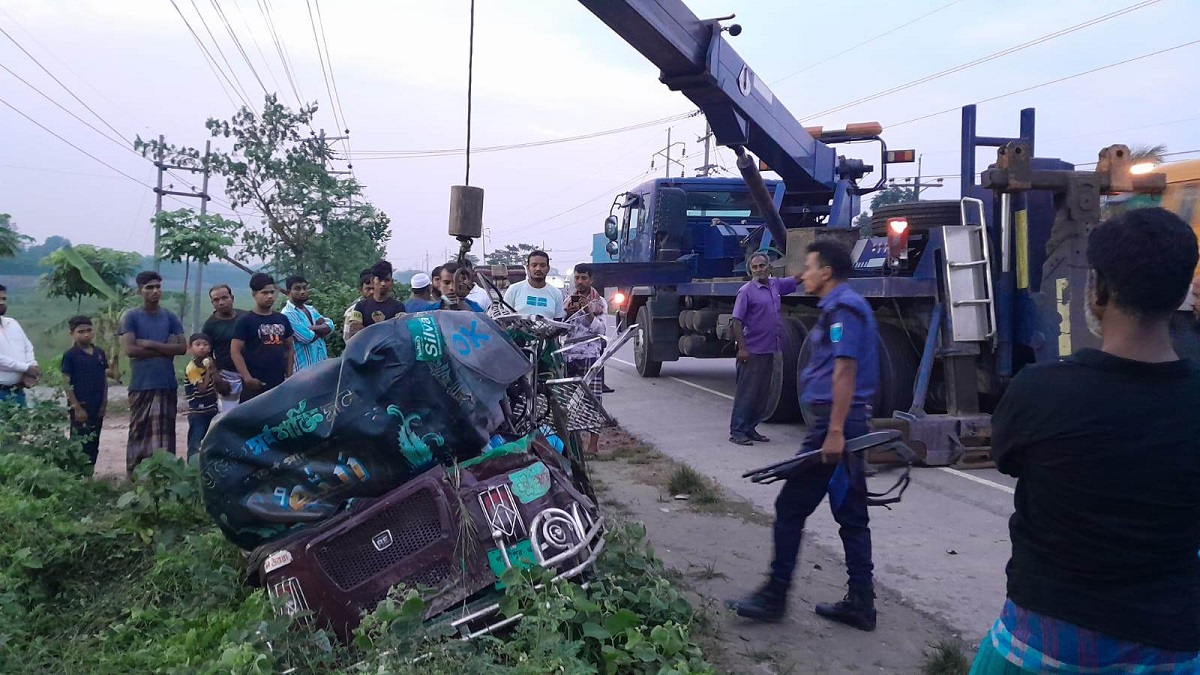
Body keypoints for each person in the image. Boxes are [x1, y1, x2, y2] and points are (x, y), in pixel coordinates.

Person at [972, 208, 1200, 673]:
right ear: (1182, 293)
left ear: (1098, 289)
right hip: (1171, 650)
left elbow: (1006, 459)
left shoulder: (1038, 391)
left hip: (1040, 650)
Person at [728, 240, 880, 632]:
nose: (803, 275)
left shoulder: (844, 309)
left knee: (791, 508)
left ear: (826, 271)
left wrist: (834, 432)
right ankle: (861, 602)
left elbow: (845, 370)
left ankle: (774, 596)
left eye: (809, 267)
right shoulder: (839, 306)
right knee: (851, 514)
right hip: (839, 423)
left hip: (836, 424)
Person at [120, 270, 187, 475]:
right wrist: (166, 348)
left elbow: (182, 348)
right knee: (138, 431)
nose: (155, 291)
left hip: (166, 382)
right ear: (139, 291)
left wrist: (149, 344)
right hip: (141, 384)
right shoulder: (131, 317)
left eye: (158, 287)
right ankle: (135, 475)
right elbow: (130, 350)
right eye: (149, 287)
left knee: (165, 433)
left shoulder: (170, 317)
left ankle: (164, 476)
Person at [728, 252, 795, 446]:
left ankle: (750, 427)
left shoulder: (775, 285)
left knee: (761, 393)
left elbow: (795, 280)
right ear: (750, 271)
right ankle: (737, 431)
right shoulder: (746, 292)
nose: (758, 270)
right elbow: (736, 321)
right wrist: (742, 349)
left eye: (762, 266)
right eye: (755, 267)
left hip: (769, 349)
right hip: (752, 351)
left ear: (769, 267)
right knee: (747, 393)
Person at [563, 263, 608, 456]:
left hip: (591, 356)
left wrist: (587, 311)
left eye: (584, 278)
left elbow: (601, 330)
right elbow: (561, 329)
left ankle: (593, 445)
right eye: (577, 278)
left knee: (593, 400)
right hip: (570, 355)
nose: (580, 282)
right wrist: (568, 314)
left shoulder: (600, 302)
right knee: (570, 402)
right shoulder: (567, 300)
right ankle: (576, 445)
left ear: (591, 280)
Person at [231, 273, 295, 402]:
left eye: (272, 292)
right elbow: (235, 351)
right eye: (264, 293)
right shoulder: (245, 321)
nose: (270, 296)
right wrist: (247, 378)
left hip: (278, 383)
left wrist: (289, 376)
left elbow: (289, 348)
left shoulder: (282, 319)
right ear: (254, 294)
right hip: (255, 384)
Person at [61, 315, 108, 467]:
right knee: (79, 442)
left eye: (89, 330)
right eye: (81, 332)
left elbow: (104, 379)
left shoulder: (99, 353)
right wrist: (76, 407)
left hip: (97, 405)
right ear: (72, 334)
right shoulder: (70, 355)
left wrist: (104, 403)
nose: (86, 334)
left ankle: (89, 473)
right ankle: (76, 474)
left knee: (94, 440)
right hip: (81, 406)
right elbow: (66, 382)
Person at [202, 284, 246, 412]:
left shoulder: (245, 317)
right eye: (216, 300)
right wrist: (217, 378)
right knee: (229, 414)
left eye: (224, 298)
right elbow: (207, 354)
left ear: (232, 298)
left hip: (250, 373)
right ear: (212, 303)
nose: (221, 302)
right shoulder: (210, 325)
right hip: (227, 375)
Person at [183, 333, 226, 460]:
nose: (201, 347)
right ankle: (192, 463)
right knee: (196, 440)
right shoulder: (192, 368)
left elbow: (218, 381)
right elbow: (202, 389)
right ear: (190, 348)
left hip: (211, 408)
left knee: (210, 439)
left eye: (205, 345)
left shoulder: (209, 363)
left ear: (209, 348)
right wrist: (208, 371)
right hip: (198, 411)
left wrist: (213, 368)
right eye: (197, 344)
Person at [281, 275, 334, 372]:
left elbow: (330, 324)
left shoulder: (311, 309)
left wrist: (312, 328)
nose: (302, 292)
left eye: (304, 288)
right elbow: (307, 337)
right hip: (304, 371)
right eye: (297, 289)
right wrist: (322, 329)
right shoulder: (287, 314)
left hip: (321, 366)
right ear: (288, 292)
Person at [0, 283, 39, 406]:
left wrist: (32, 367)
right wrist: (25, 368)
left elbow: (27, 346)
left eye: (3, 299)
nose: (1, 302)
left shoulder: (12, 323)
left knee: (21, 419)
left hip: (17, 391)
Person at [503, 249, 565, 319]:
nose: (538, 269)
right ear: (528, 268)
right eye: (534, 265)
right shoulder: (514, 289)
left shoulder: (556, 293)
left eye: (542, 265)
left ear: (548, 268)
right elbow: (504, 318)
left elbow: (558, 321)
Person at [350, 260, 405, 337]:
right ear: (372, 280)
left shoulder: (398, 307)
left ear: (391, 282)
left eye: (387, 280)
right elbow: (355, 332)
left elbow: (401, 333)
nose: (383, 284)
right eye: (379, 279)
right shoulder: (360, 306)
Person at [343, 268, 374, 342]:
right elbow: (347, 339)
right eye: (368, 289)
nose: (372, 292)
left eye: (374, 288)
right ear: (361, 290)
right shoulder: (353, 310)